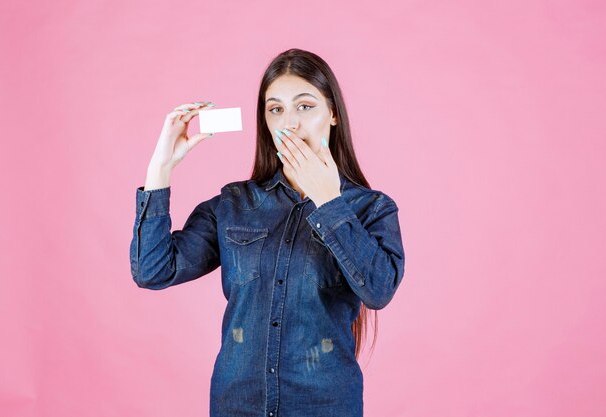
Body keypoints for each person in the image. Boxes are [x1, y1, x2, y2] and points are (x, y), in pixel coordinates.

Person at [129, 48, 405, 417]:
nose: (289, 123)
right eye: (276, 109)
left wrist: (328, 200)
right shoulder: (234, 204)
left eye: (305, 106)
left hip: (325, 406)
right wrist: (161, 166)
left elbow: (379, 291)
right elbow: (153, 270)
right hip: (236, 405)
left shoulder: (372, 209)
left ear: (333, 114)